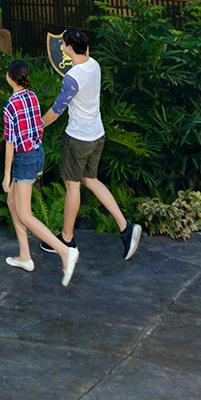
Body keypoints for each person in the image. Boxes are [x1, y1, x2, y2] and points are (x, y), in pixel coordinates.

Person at [39, 29, 143, 261]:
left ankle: (67, 239)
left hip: (78, 139)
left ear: (69, 47)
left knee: (72, 186)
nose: (61, 46)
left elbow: (57, 109)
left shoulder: (73, 77)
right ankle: (125, 228)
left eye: (63, 43)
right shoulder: (94, 65)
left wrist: (38, 125)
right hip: (97, 135)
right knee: (91, 180)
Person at [1, 61, 79, 286]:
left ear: (10, 77)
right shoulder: (32, 96)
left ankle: (64, 251)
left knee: (25, 214)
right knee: (12, 202)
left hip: (24, 159)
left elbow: (10, 143)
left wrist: (7, 174)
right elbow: (38, 126)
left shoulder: (10, 106)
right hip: (37, 154)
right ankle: (25, 256)